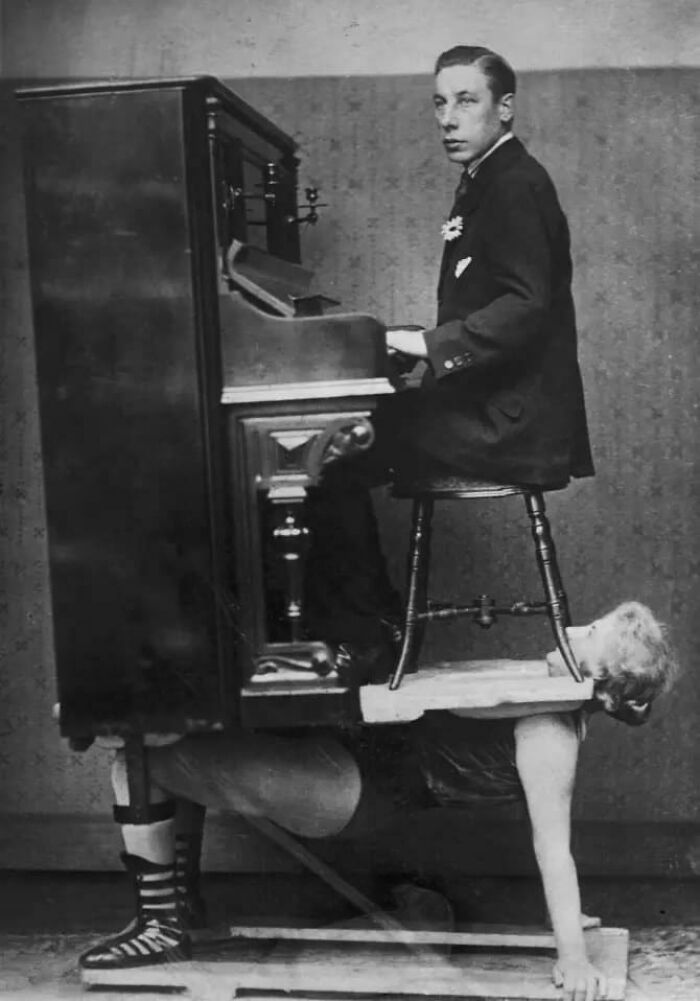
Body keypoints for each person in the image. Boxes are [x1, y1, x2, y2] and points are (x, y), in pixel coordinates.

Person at [79, 600, 678, 1001]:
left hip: (347, 788)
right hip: (349, 770)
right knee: (178, 744)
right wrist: (565, 920)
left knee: (140, 757)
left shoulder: (550, 731)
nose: (570, 629)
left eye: (588, 635)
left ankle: (161, 925)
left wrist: (573, 954)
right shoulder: (543, 699)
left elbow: (553, 847)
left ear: (600, 680)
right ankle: (183, 913)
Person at [302, 44, 594, 680]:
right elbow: (494, 303)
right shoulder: (488, 179)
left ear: (505, 107)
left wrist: (427, 345)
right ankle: (376, 630)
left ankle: (373, 640)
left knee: (334, 450)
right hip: (493, 406)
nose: (448, 118)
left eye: (466, 101)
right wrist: (419, 340)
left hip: (511, 422)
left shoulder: (515, 183)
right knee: (344, 439)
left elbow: (526, 306)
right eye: (440, 103)